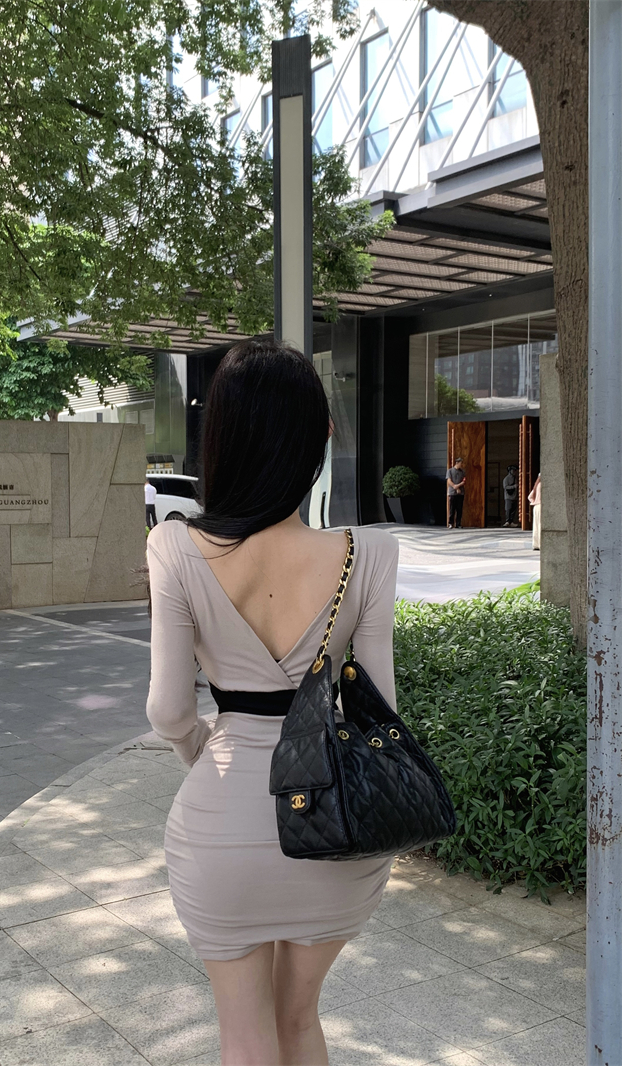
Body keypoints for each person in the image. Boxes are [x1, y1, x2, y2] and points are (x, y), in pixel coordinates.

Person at [146, 340, 399, 1066]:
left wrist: (206, 751)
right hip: (336, 829)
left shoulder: (174, 548)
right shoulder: (368, 553)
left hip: (220, 826)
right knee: (299, 1019)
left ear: (220, 437)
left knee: (246, 1036)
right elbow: (380, 707)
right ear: (322, 436)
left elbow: (168, 712)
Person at [446, 457, 466, 528]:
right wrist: (455, 487)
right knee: (452, 508)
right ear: (457, 463)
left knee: (459, 509)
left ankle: (458, 524)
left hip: (460, 492)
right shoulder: (450, 471)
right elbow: (449, 480)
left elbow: (464, 481)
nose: (461, 465)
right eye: (460, 463)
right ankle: (450, 523)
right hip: (452, 492)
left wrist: (458, 486)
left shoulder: (462, 472)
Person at [528, 473, 541, 550]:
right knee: (541, 525)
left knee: (536, 526)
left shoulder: (537, 485)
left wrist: (534, 501)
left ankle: (535, 544)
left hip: (536, 507)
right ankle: (541, 544)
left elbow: (529, 497)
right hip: (542, 506)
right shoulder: (544, 486)